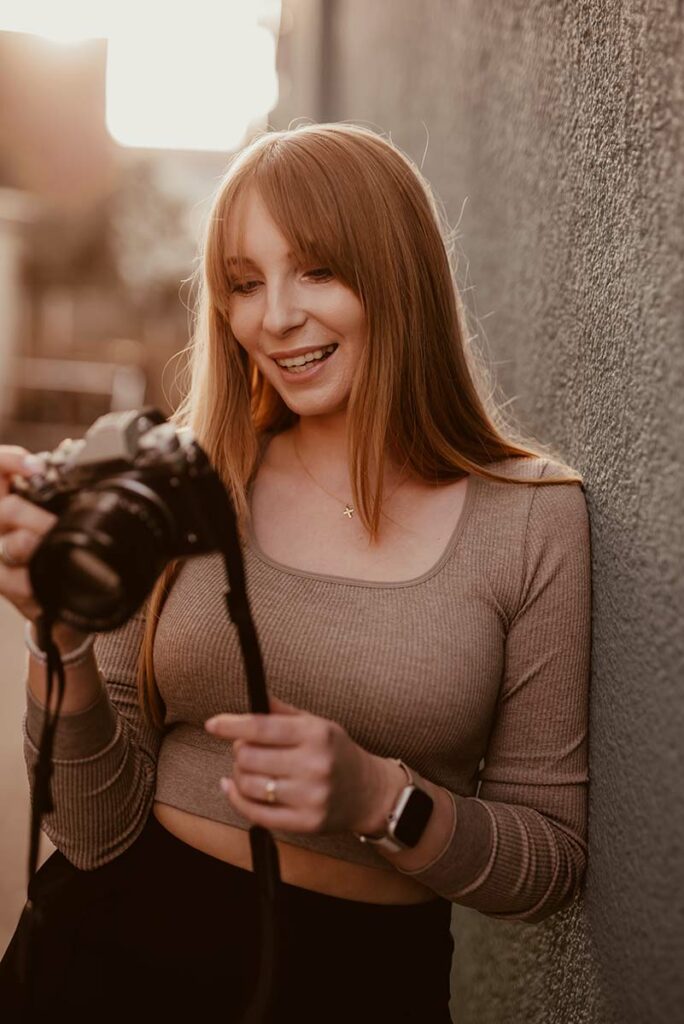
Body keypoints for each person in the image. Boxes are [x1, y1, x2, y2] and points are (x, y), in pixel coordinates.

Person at [0, 122, 592, 1023]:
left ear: (397, 272)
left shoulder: (534, 518)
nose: (274, 317)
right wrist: (62, 636)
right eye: (244, 283)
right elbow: (88, 827)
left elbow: (550, 860)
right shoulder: (185, 484)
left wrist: (383, 801)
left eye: (315, 269)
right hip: (107, 960)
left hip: (365, 986)